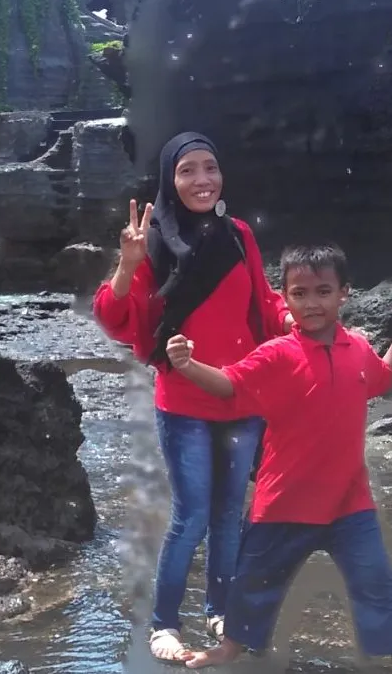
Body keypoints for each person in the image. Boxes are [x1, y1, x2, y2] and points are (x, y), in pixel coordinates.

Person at [93, 131, 293, 663]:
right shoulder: (153, 242)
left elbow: (266, 302)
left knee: (231, 514)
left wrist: (296, 321)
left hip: (242, 397)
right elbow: (115, 319)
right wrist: (128, 263)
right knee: (192, 514)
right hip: (182, 402)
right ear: (169, 180)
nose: (202, 179)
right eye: (188, 171)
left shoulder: (239, 235)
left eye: (210, 167)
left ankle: (221, 609)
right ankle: (164, 623)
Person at [166, 243, 392, 669]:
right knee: (255, 582)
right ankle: (229, 647)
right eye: (300, 293)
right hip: (286, 501)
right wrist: (188, 365)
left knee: (375, 581)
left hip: (349, 501)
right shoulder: (276, 354)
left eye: (323, 291)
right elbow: (228, 383)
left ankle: (383, 651)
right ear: (284, 297)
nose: (312, 303)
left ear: (345, 293)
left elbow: (382, 377)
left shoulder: (359, 349)